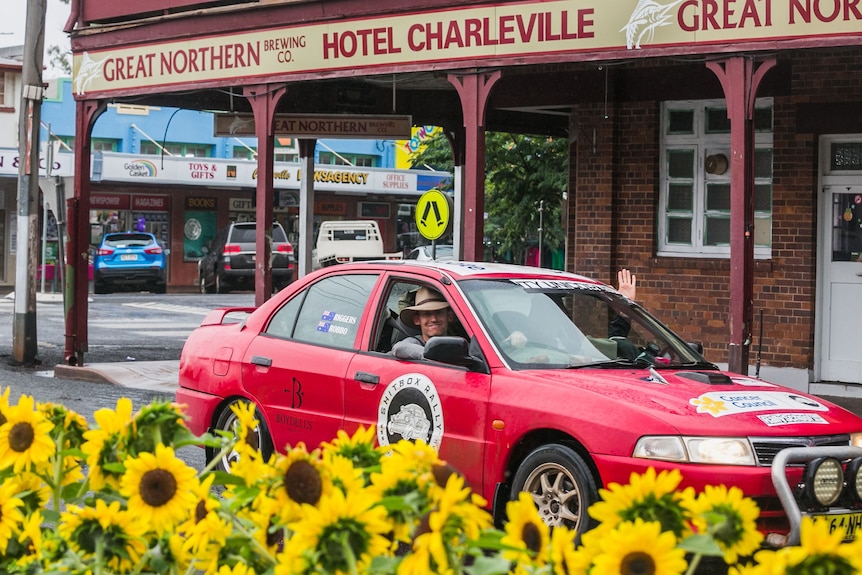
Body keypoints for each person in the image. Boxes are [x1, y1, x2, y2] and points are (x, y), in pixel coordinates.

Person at [391, 286, 456, 359]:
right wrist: (429, 355)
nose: (434, 319)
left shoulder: (459, 344)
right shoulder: (415, 342)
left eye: (439, 312)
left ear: (450, 316)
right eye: (426, 314)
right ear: (417, 320)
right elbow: (398, 348)